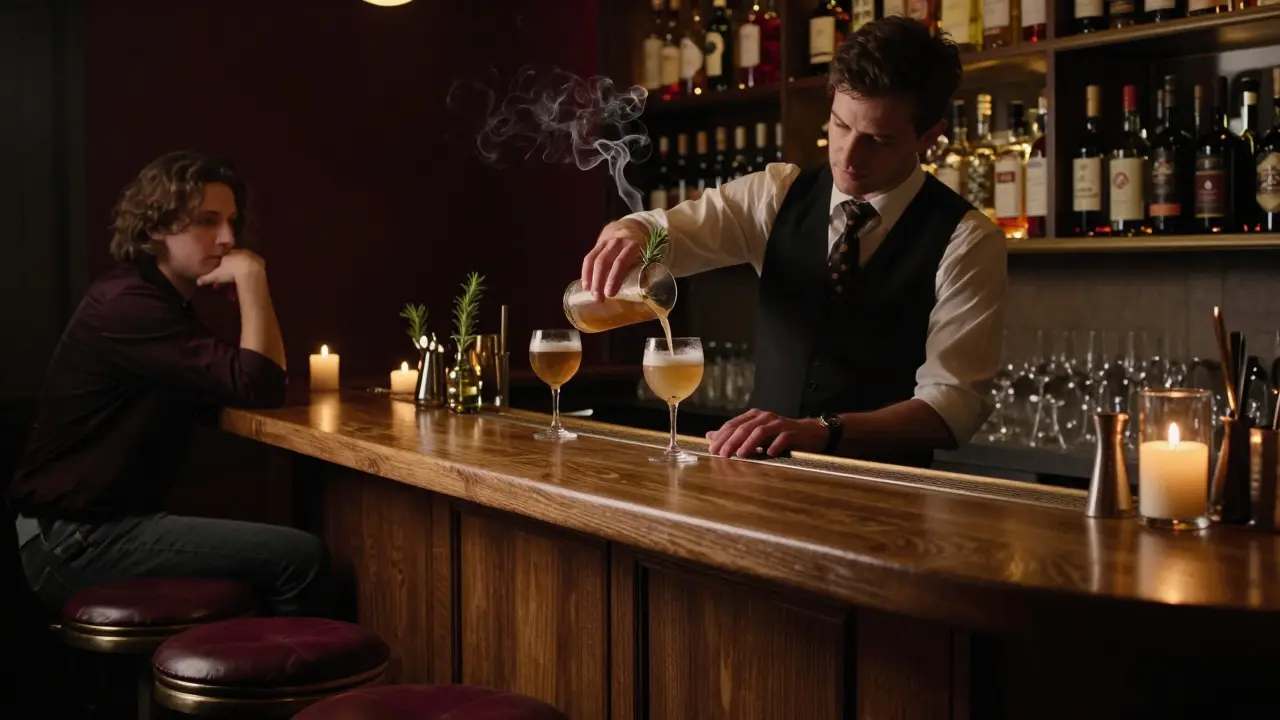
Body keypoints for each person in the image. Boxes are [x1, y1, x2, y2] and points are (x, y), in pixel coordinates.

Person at [581, 17, 1006, 467]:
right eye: (840, 126)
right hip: (762, 485)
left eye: (878, 140)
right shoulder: (776, 195)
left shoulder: (967, 238)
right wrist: (632, 231)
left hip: (890, 500)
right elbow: (666, 232)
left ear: (930, 137)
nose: (847, 155)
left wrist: (820, 431)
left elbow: (951, 409)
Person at [8, 151, 333, 616]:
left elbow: (238, 383)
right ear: (155, 227)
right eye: (207, 221)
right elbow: (258, 382)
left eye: (231, 222)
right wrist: (252, 276)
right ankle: (300, 689)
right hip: (76, 540)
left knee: (281, 547)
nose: (228, 239)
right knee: (300, 558)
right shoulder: (129, 305)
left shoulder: (154, 301)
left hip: (86, 527)